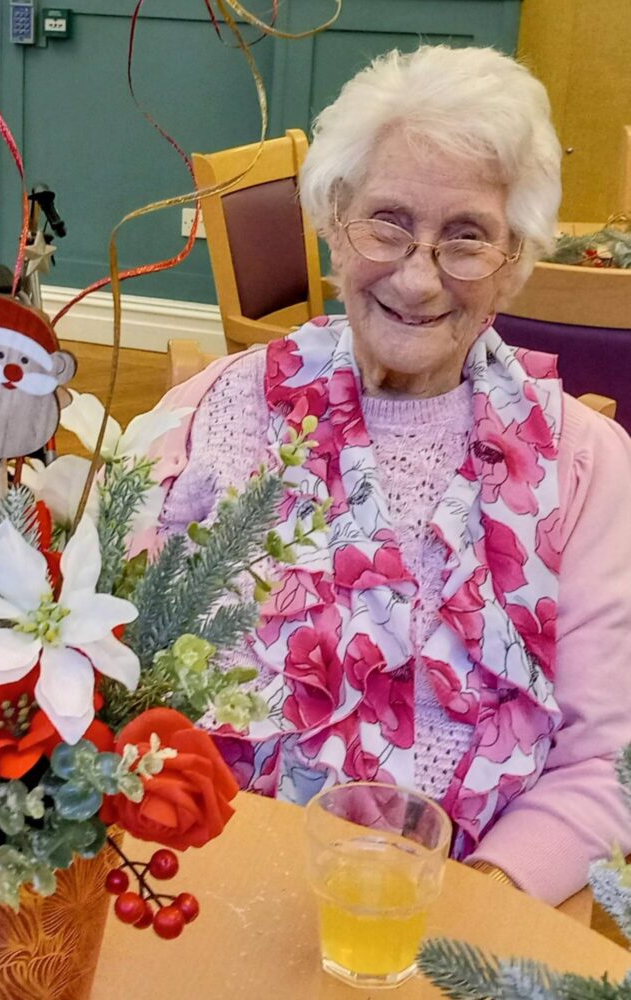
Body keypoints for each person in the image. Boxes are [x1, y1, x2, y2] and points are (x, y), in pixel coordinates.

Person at [142, 45, 631, 905]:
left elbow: (604, 761)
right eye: (389, 222)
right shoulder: (213, 411)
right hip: (201, 891)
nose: (416, 274)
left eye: (466, 238)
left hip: (447, 920)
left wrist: (470, 915)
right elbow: (107, 659)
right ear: (335, 222)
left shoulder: (586, 464)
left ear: (513, 260)